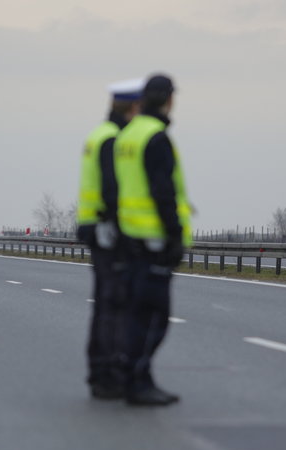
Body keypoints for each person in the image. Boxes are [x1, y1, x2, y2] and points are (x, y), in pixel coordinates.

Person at [113, 74, 192, 406]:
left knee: (137, 313)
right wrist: (174, 235)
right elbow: (163, 192)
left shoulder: (127, 135)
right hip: (154, 240)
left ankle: (136, 377)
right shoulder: (156, 138)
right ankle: (137, 381)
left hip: (129, 238)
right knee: (155, 317)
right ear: (168, 99)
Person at [76, 78, 144, 400]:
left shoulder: (99, 134)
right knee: (112, 305)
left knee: (107, 304)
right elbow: (112, 190)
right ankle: (104, 375)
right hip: (108, 233)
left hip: (96, 228)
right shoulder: (112, 139)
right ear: (133, 107)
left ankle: (102, 373)